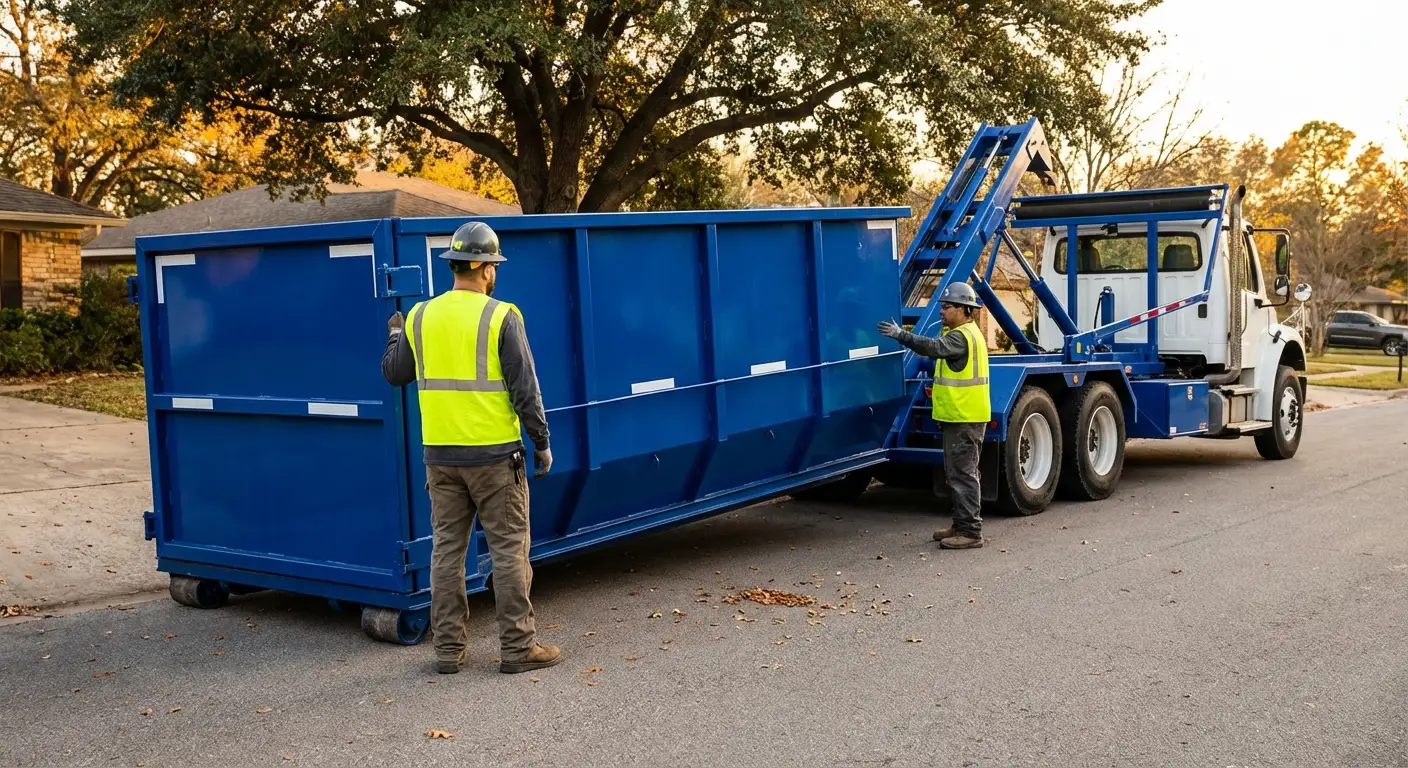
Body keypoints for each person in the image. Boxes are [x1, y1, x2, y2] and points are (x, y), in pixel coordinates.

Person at [381, 221, 562, 675]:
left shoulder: (420, 316)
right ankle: (518, 649)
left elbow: (394, 373)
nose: (494, 273)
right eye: (494, 265)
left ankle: (448, 651)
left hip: (440, 457)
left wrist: (395, 334)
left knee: (446, 551)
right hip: (495, 457)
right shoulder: (502, 316)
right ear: (483, 268)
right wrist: (541, 441)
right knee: (508, 551)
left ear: (455, 265)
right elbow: (526, 390)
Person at [878, 282, 991, 550]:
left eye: (947, 306)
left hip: (965, 418)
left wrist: (900, 335)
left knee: (963, 475)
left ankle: (971, 532)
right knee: (959, 474)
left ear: (964, 309)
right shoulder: (966, 332)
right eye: (941, 306)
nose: (942, 311)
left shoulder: (961, 337)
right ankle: (961, 524)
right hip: (961, 417)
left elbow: (932, 347)